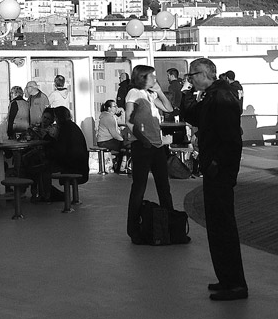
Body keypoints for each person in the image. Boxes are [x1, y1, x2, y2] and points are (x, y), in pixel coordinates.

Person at [183, 57, 247, 301]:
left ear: (204, 73)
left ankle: (235, 283)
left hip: (219, 170)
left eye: (192, 75)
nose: (190, 79)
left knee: (223, 225)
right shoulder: (212, 95)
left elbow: (231, 138)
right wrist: (189, 92)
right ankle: (227, 279)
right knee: (217, 225)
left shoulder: (221, 96)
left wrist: (216, 164)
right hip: (215, 169)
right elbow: (193, 116)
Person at [124, 65, 174, 245]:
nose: (155, 79)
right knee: (139, 187)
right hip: (142, 146)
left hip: (157, 145)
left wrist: (159, 91)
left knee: (164, 186)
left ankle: (170, 225)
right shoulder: (133, 94)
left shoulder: (150, 95)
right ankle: (133, 229)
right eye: (151, 76)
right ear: (142, 77)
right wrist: (142, 139)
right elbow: (128, 121)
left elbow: (169, 108)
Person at [37, 107, 89, 200]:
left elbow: (60, 151)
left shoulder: (65, 129)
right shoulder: (72, 126)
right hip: (79, 163)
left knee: (44, 168)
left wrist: (48, 139)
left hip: (71, 165)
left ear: (58, 118)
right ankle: (47, 193)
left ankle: (46, 195)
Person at [96, 100, 128, 173]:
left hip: (108, 140)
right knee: (125, 146)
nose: (116, 108)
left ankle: (119, 167)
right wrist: (123, 140)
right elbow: (114, 133)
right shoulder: (108, 117)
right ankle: (120, 169)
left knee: (124, 145)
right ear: (109, 108)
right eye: (114, 106)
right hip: (104, 141)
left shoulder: (111, 116)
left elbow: (122, 122)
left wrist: (122, 112)